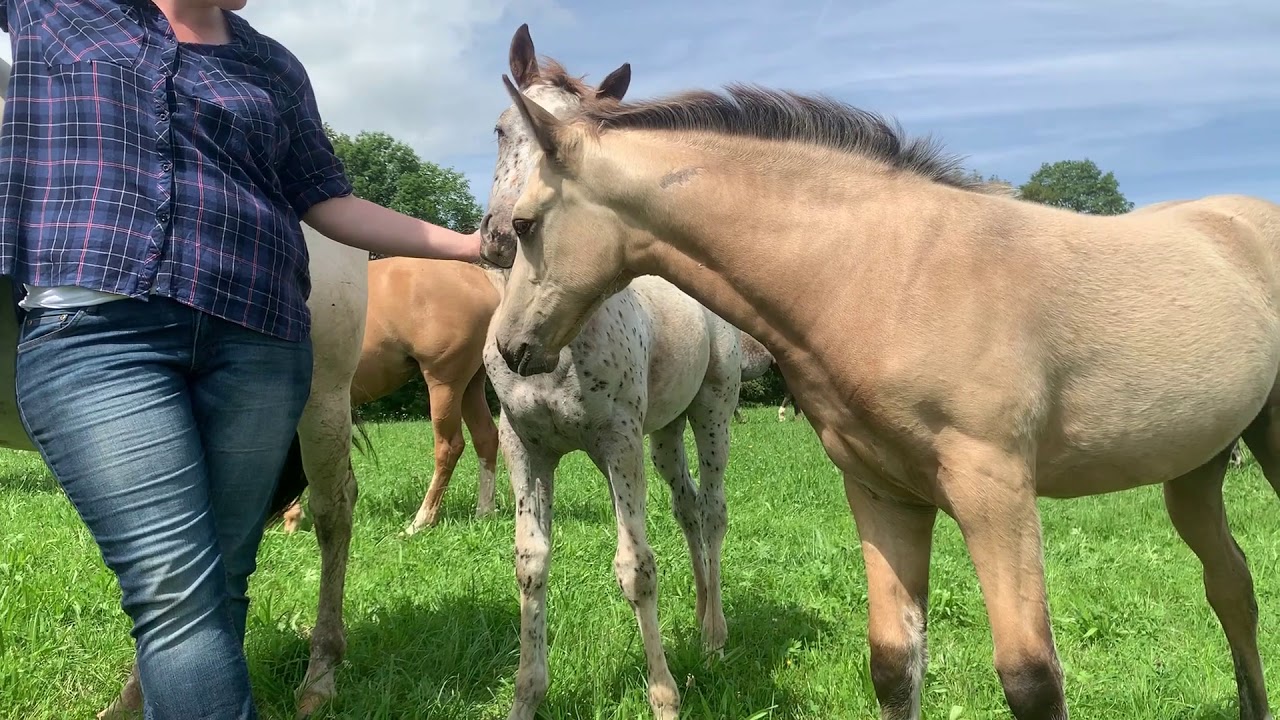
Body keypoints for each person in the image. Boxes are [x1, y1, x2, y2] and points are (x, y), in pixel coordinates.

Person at [0, 1, 480, 717]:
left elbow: (329, 201)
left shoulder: (273, 65)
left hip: (259, 343)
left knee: (219, 580)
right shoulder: (56, 10)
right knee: (178, 592)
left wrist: (472, 244)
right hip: (100, 333)